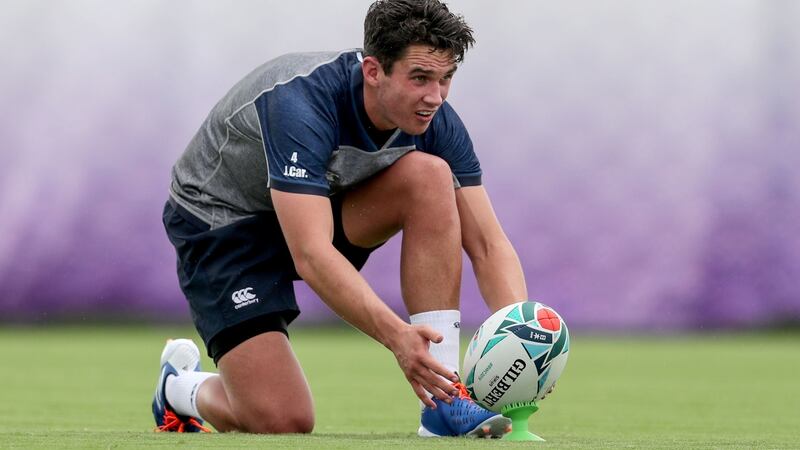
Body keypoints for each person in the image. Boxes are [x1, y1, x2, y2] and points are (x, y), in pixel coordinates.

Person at [154, 0, 528, 437]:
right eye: (420, 78)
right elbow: (311, 254)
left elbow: (487, 244)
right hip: (220, 224)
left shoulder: (435, 120)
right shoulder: (299, 102)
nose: (435, 97)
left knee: (430, 176)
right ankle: (180, 388)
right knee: (284, 421)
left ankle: (444, 404)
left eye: (446, 79)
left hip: (315, 211)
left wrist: (522, 336)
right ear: (373, 71)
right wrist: (397, 337)